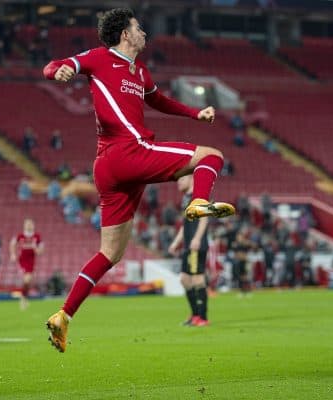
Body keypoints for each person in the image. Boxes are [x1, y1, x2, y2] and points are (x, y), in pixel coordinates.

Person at [43, 8, 235, 352]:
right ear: (125, 34)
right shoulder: (101, 57)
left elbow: (158, 100)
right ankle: (197, 201)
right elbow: (56, 65)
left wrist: (195, 114)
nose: (144, 32)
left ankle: (64, 315)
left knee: (110, 253)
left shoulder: (141, 71)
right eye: (138, 28)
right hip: (127, 153)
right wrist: (61, 70)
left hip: (110, 168)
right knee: (212, 156)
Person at [168, 175, 210, 327]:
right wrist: (176, 243)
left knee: (197, 279)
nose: (179, 182)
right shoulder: (186, 198)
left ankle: (203, 317)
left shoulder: (199, 195)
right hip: (188, 244)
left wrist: (197, 238)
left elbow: (204, 218)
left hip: (196, 244)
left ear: (192, 179)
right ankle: (195, 314)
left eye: (182, 179)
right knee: (184, 279)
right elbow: (185, 224)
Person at [10, 218, 43, 310]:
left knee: (28, 281)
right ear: (24, 225)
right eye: (27, 224)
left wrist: (35, 248)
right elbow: (12, 244)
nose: (29, 225)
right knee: (27, 280)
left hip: (31, 261)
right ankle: (23, 299)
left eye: (30, 224)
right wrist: (12, 254)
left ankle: (24, 297)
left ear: (33, 225)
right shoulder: (20, 236)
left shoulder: (37, 236)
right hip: (22, 261)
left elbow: (40, 251)